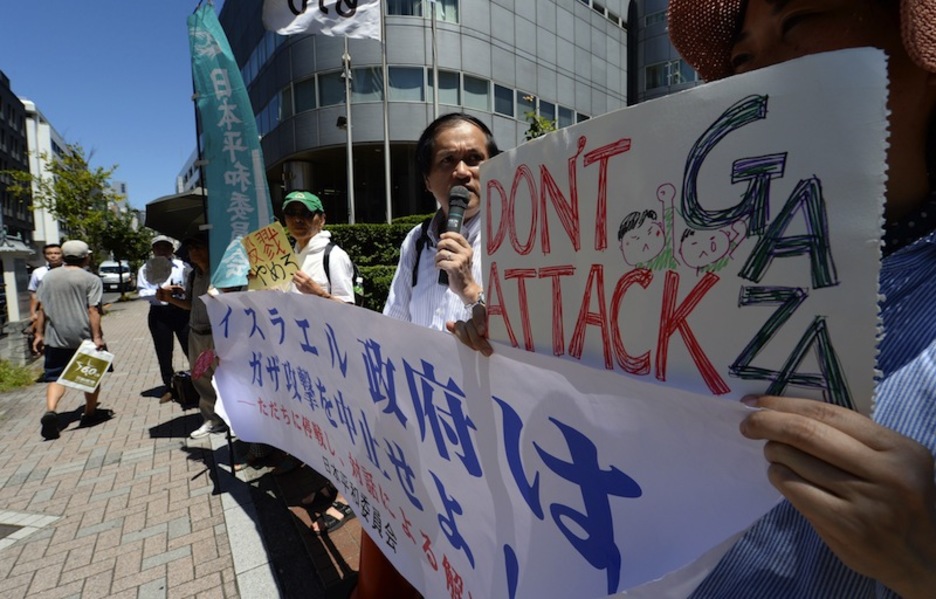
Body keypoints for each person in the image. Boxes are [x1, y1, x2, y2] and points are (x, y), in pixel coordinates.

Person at [645, 1, 936, 597]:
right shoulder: (698, 268)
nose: (758, 72)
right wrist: (522, 347)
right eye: (741, 56)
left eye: (799, 19)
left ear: (921, 45)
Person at [352, 113, 500, 599]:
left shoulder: (522, 235)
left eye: (475, 159)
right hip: (424, 428)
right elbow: (394, 327)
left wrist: (473, 289)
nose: (463, 171)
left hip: (492, 437)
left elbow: (537, 339)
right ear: (427, 179)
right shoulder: (415, 244)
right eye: (448, 160)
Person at [280, 189, 357, 532]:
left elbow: (351, 312)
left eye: (305, 213)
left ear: (321, 218)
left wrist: (319, 294)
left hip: (332, 361)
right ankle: (331, 483)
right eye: (290, 213)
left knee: (341, 431)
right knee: (322, 432)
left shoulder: (332, 255)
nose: (297, 219)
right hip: (303, 360)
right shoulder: (287, 256)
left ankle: (348, 497)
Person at [34, 240, 113, 440]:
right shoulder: (91, 279)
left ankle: (51, 410)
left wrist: (39, 334)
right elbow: (93, 309)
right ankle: (90, 413)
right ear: (85, 257)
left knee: (54, 376)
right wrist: (97, 337)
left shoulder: (49, 277)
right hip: (83, 335)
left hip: (55, 336)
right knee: (90, 375)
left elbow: (42, 308)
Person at [155, 232, 226, 439]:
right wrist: (169, 298)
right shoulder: (193, 275)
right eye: (191, 248)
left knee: (225, 378)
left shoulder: (222, 273)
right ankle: (212, 419)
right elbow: (190, 305)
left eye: (198, 247)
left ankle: (231, 418)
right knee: (201, 377)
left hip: (217, 335)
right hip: (196, 334)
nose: (193, 252)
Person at [137, 234, 191, 403]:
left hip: (182, 311)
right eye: (158, 247)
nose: (162, 250)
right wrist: (161, 292)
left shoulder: (183, 266)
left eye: (165, 246)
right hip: (160, 314)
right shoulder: (145, 269)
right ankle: (169, 387)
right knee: (164, 352)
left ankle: (199, 381)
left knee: (191, 348)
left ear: (172, 249)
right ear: (153, 250)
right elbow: (142, 292)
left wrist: (180, 290)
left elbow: (191, 286)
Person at [27, 243, 64, 325]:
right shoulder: (38, 272)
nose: (53, 256)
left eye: (57, 253)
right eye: (49, 253)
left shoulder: (70, 271)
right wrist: (33, 313)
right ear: (44, 256)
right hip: (44, 311)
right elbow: (34, 293)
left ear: (62, 255)